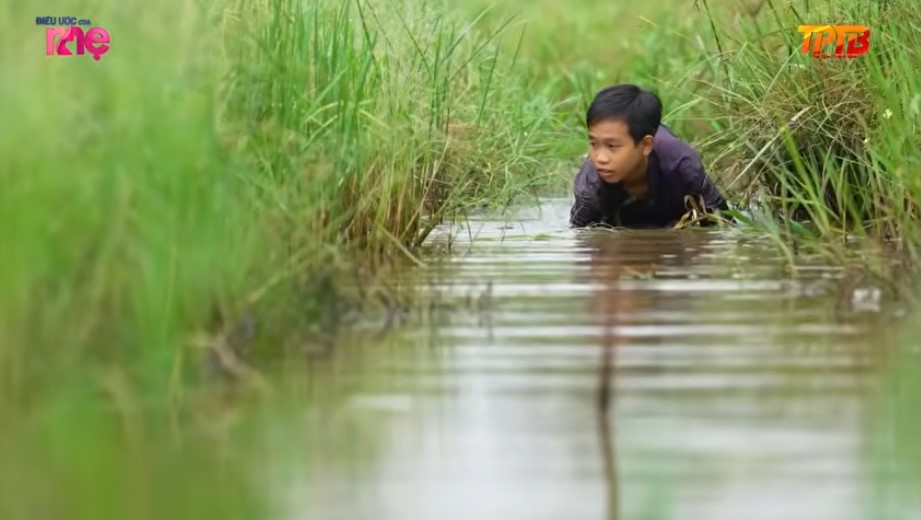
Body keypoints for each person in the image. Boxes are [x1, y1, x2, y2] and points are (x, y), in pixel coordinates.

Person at [569, 84, 729, 229]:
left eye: (612, 146)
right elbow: (581, 236)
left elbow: (724, 224)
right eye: (594, 144)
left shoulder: (682, 166)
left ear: (645, 145)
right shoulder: (589, 188)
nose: (600, 158)